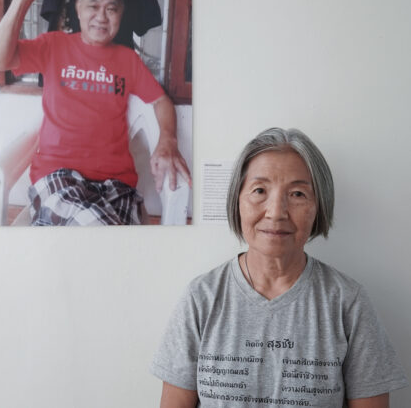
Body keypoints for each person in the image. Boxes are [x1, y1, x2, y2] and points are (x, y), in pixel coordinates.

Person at [151, 128, 408, 407]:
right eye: (259, 190)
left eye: (297, 194)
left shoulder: (348, 302)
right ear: (237, 200)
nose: (276, 212)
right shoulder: (201, 298)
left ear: (319, 206)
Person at [0, 0, 191, 226]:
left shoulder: (128, 60)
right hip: (58, 177)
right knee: (98, 232)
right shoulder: (53, 46)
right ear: (77, 7)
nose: (101, 16)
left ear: (122, 14)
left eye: (112, 8)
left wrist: (168, 140)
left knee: (105, 236)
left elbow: (160, 100)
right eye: (93, 6)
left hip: (117, 186)